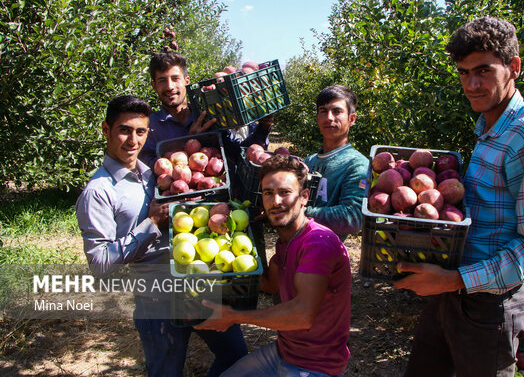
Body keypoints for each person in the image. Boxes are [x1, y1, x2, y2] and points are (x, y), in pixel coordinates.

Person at [393, 16, 524, 376]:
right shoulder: (489, 125)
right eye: (463, 72)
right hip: (451, 290)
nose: (471, 84)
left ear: (514, 67)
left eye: (483, 71)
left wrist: (455, 280)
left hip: (489, 306)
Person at [75, 95, 248, 377]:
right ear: (106, 130)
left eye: (140, 131)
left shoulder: (153, 173)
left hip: (198, 282)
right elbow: (100, 264)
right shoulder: (98, 193)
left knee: (236, 356)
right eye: (124, 130)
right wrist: (151, 222)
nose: (133, 140)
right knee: (166, 371)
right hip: (156, 299)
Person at [195, 154, 351, 377]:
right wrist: (224, 257)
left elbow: (302, 315)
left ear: (304, 197)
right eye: (269, 193)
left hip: (316, 366)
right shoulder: (286, 241)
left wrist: (234, 316)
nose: (275, 201)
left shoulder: (318, 243)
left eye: (285, 192)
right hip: (284, 351)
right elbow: (269, 284)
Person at [139, 52, 273, 171]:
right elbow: (146, 166)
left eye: (175, 79)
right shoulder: (148, 125)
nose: (170, 86)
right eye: (162, 81)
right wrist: (188, 142)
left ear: (186, 81)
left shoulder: (208, 116)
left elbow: (238, 154)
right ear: (154, 86)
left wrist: (264, 127)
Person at [304, 85, 369, 241]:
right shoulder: (310, 161)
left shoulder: (357, 165)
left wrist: (298, 213)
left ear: (351, 119)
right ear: (317, 117)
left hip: (325, 255)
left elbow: (352, 218)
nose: (329, 118)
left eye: (337, 111)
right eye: (323, 111)